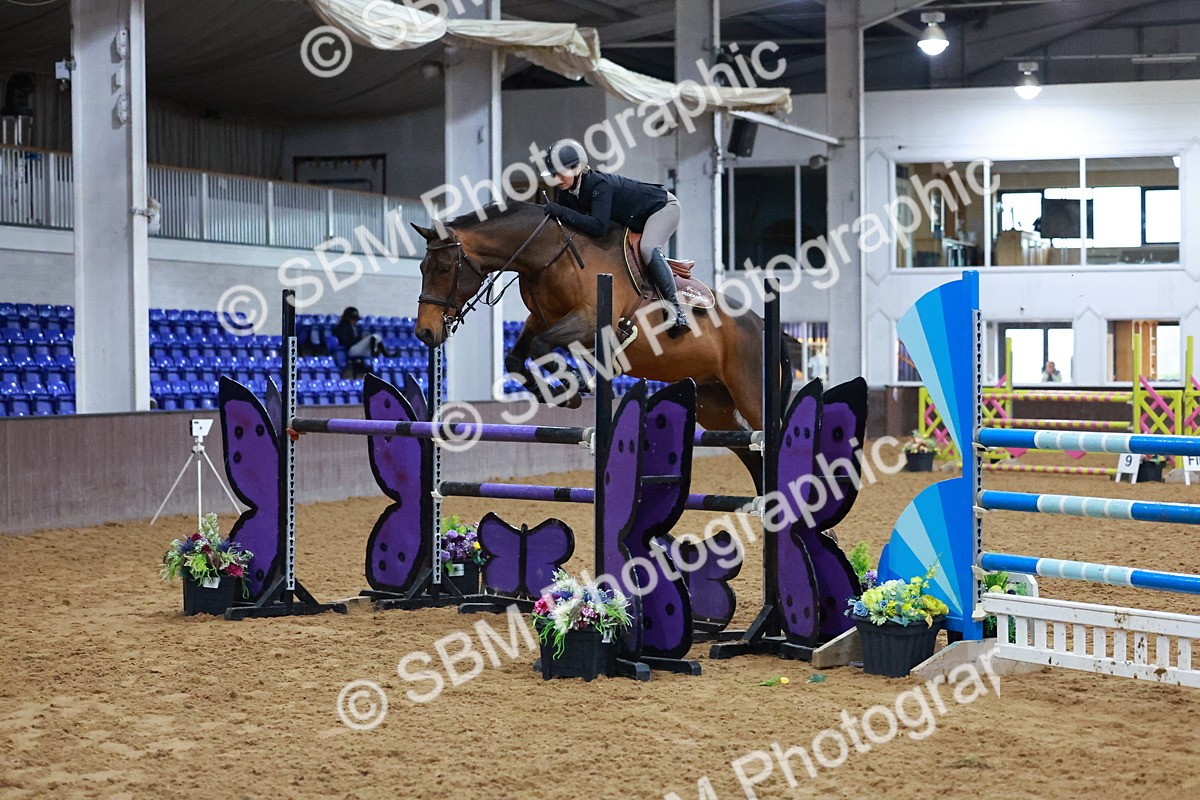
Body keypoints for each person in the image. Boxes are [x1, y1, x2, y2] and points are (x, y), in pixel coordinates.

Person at [539, 138, 689, 338]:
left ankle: (677, 310)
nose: (557, 179)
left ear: (576, 169)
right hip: (631, 220)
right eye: (553, 174)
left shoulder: (599, 185)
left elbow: (598, 226)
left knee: (647, 247)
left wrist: (561, 212)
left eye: (560, 173)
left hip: (661, 208)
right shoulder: (566, 192)